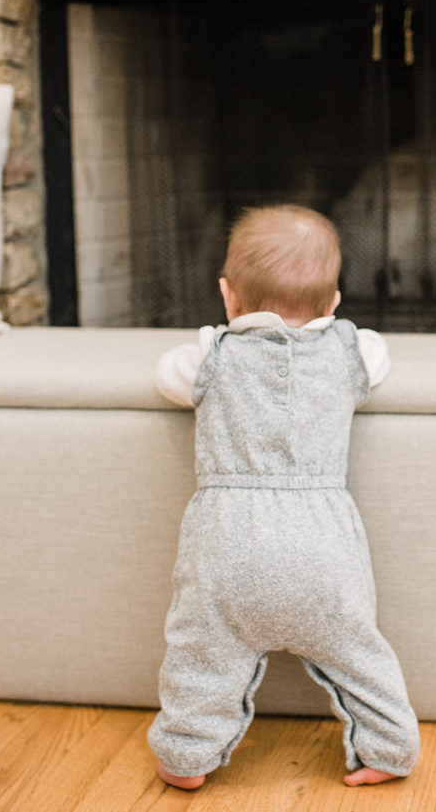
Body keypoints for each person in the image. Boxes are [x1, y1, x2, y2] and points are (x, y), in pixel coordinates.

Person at [147, 204, 420, 790]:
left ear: (228, 296)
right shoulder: (352, 351)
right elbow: (377, 353)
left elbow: (166, 376)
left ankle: (186, 757)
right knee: (359, 656)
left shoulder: (210, 357)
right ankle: (389, 748)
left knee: (201, 657)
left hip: (228, 545)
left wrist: (215, 341)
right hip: (322, 547)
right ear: (333, 303)